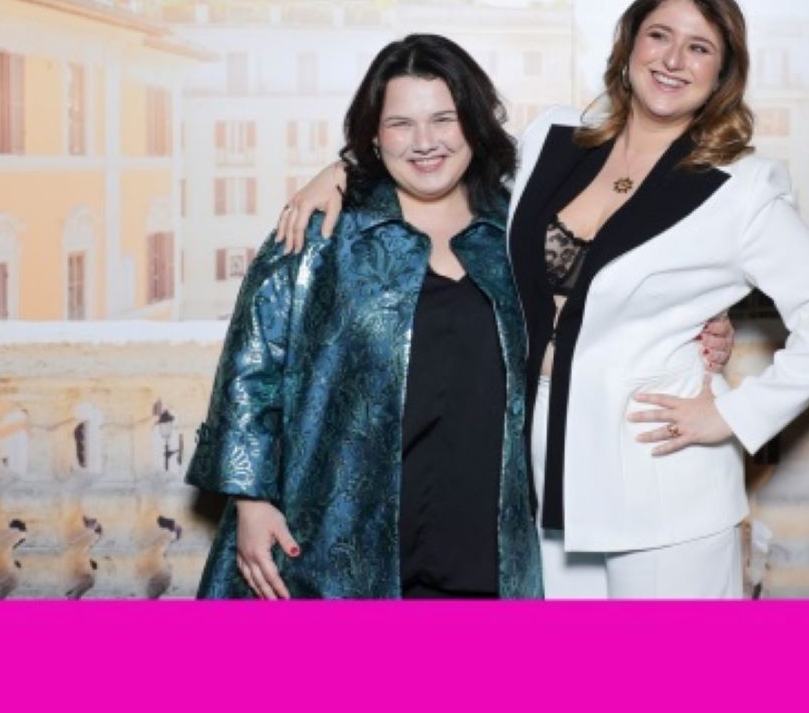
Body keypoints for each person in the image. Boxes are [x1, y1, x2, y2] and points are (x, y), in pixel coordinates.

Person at [279, 0, 809, 599]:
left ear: (722, 73)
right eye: (659, 36)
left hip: (665, 479)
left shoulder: (740, 188)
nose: (673, 60)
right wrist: (347, 168)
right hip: (544, 471)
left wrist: (734, 413)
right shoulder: (554, 138)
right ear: (629, 45)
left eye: (699, 47)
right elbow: (444, 160)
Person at [186, 34, 543, 599]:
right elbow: (252, 369)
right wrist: (250, 501)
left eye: (444, 119)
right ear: (374, 136)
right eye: (401, 124)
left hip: (483, 548)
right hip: (338, 546)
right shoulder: (322, 231)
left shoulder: (516, 232)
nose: (424, 142)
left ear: (474, 123)